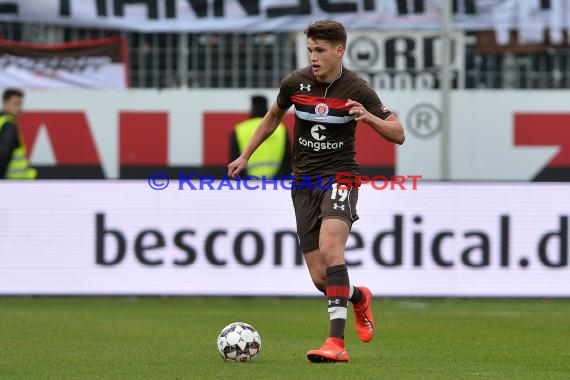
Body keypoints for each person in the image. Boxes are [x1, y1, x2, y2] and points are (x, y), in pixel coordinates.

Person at [228, 19, 405, 363]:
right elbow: (273, 116)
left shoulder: (357, 89)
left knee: (330, 248)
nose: (313, 57)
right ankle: (358, 297)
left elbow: (398, 133)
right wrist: (246, 154)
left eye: (320, 50)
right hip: (304, 183)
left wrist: (369, 118)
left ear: (339, 51)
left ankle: (335, 344)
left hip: (340, 177)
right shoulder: (295, 83)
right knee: (321, 278)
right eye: (310, 50)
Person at [229, 95, 291, 178]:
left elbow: (235, 158)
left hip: (248, 182)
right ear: (267, 109)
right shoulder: (281, 129)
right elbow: (287, 158)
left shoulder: (240, 129)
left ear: (252, 109)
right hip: (277, 181)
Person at [0, 88, 37, 180]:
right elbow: (4, 154)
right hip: (15, 180)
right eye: (15, 103)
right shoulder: (9, 125)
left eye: (20, 104)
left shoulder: (2, 122)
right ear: (5, 103)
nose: (19, 108)